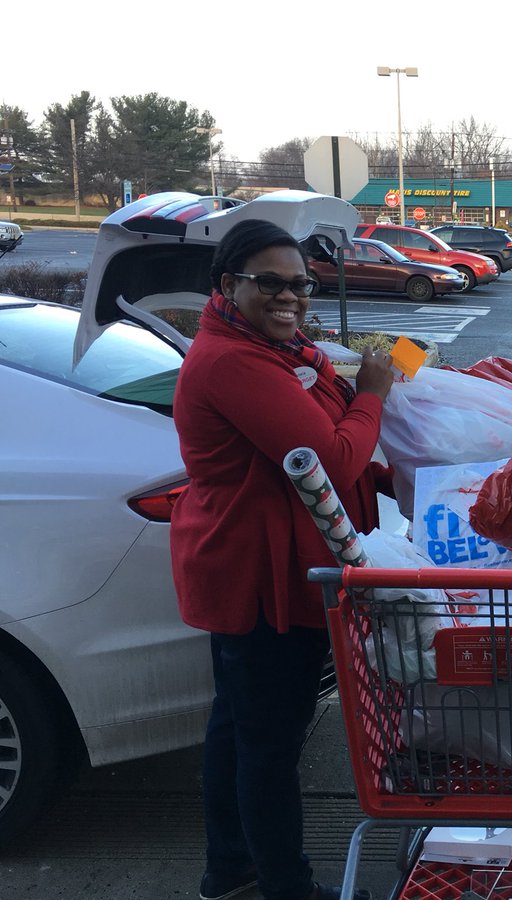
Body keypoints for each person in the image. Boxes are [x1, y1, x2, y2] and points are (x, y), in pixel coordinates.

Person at [171, 219, 394, 900]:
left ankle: (230, 866)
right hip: (260, 577)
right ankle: (283, 884)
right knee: (268, 742)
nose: (289, 295)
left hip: (262, 564)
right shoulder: (234, 362)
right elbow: (328, 458)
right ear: (228, 285)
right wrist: (375, 393)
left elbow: (323, 416)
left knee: (239, 729)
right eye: (269, 282)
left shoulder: (271, 348)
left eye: (299, 283)